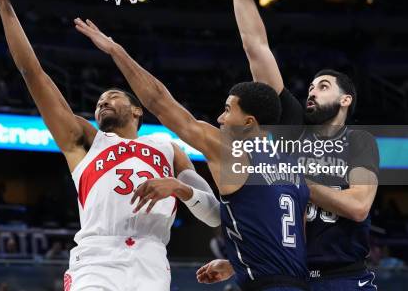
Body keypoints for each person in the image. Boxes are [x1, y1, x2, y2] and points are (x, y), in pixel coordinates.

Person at [0, 0, 219, 291]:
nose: (102, 101)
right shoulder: (84, 141)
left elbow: (213, 215)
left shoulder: (167, 148)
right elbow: (33, 74)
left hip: (152, 261)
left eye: (113, 96)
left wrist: (180, 188)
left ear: (137, 110)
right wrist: (3, 3)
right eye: (99, 100)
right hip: (97, 259)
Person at [75, 18, 309, 290]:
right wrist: (237, 264)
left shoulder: (234, 152)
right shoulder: (293, 171)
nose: (220, 118)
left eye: (228, 109)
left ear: (249, 123)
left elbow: (159, 103)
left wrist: (116, 51)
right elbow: (290, 241)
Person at [226, 0, 380, 290]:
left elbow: (358, 206)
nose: (312, 91)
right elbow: (256, 45)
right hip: (291, 277)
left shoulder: (359, 142)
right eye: (310, 86)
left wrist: (294, 179)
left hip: (344, 277)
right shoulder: (292, 125)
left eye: (323, 86)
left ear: (346, 99)